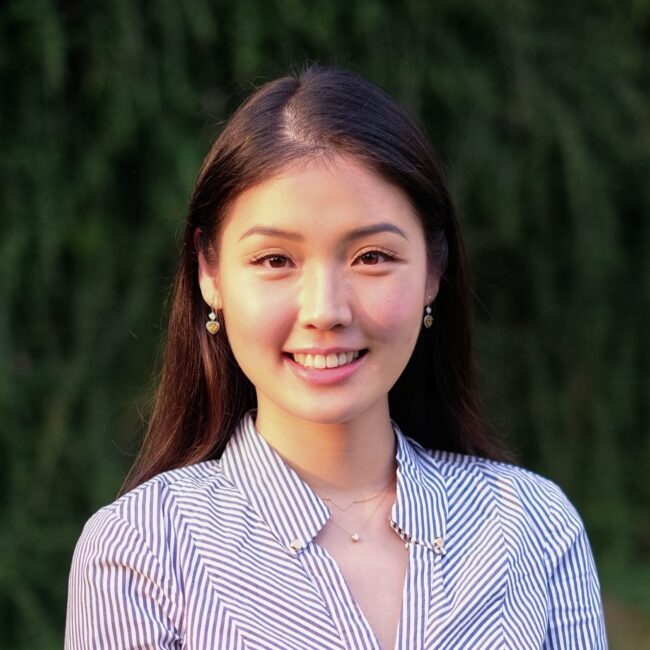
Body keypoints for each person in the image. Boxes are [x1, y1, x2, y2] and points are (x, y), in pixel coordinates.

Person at [65, 66, 607, 649]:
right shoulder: (140, 552)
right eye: (275, 260)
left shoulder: (532, 526)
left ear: (433, 271)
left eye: (372, 256)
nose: (325, 310)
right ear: (210, 272)